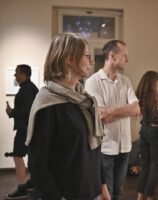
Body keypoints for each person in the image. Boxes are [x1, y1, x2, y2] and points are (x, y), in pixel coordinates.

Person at [26, 32, 110, 200]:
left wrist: (102, 184)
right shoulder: (48, 104)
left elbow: (94, 148)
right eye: (87, 56)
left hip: (92, 191)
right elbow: (37, 163)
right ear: (69, 59)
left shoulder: (84, 101)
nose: (91, 61)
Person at [85, 40, 140, 200]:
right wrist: (125, 109)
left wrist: (112, 111)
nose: (127, 60)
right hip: (105, 148)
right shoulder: (92, 82)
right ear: (112, 56)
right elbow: (102, 116)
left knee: (118, 192)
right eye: (125, 56)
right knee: (104, 194)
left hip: (125, 146)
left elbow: (136, 108)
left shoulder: (125, 81)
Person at [5, 64, 39, 199]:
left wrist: (12, 111)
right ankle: (32, 183)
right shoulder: (29, 88)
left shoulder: (27, 89)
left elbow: (28, 111)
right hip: (27, 129)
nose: (15, 75)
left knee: (17, 156)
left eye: (16, 72)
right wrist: (13, 112)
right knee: (31, 157)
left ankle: (22, 188)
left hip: (25, 129)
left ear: (23, 74)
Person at [135, 71, 158, 200]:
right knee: (155, 166)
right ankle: (149, 197)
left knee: (144, 166)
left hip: (144, 131)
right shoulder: (157, 97)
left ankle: (139, 196)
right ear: (153, 82)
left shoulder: (140, 96)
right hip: (155, 133)